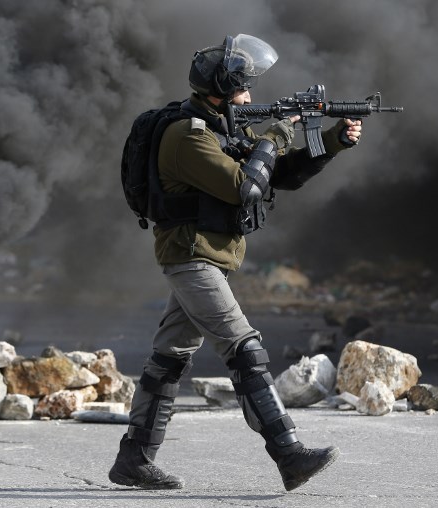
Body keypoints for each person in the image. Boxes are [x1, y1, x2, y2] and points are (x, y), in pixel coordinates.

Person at [109, 34, 363, 491]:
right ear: (221, 89)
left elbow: (277, 176)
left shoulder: (224, 127)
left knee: (169, 357)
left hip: (209, 257)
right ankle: (288, 454)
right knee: (243, 348)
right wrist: (278, 129)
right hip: (191, 258)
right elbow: (243, 187)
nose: (249, 96)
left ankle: (134, 459)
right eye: (243, 88)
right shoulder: (187, 137)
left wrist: (333, 140)